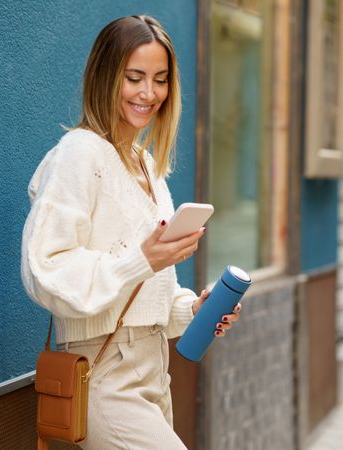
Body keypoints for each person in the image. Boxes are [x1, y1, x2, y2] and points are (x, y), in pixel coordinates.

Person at [21, 15, 242, 449]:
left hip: (152, 368)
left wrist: (193, 310)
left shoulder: (147, 167)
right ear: (106, 77)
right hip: (101, 369)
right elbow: (44, 270)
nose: (149, 93)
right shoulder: (79, 156)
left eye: (160, 80)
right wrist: (142, 258)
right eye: (134, 77)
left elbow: (148, 288)